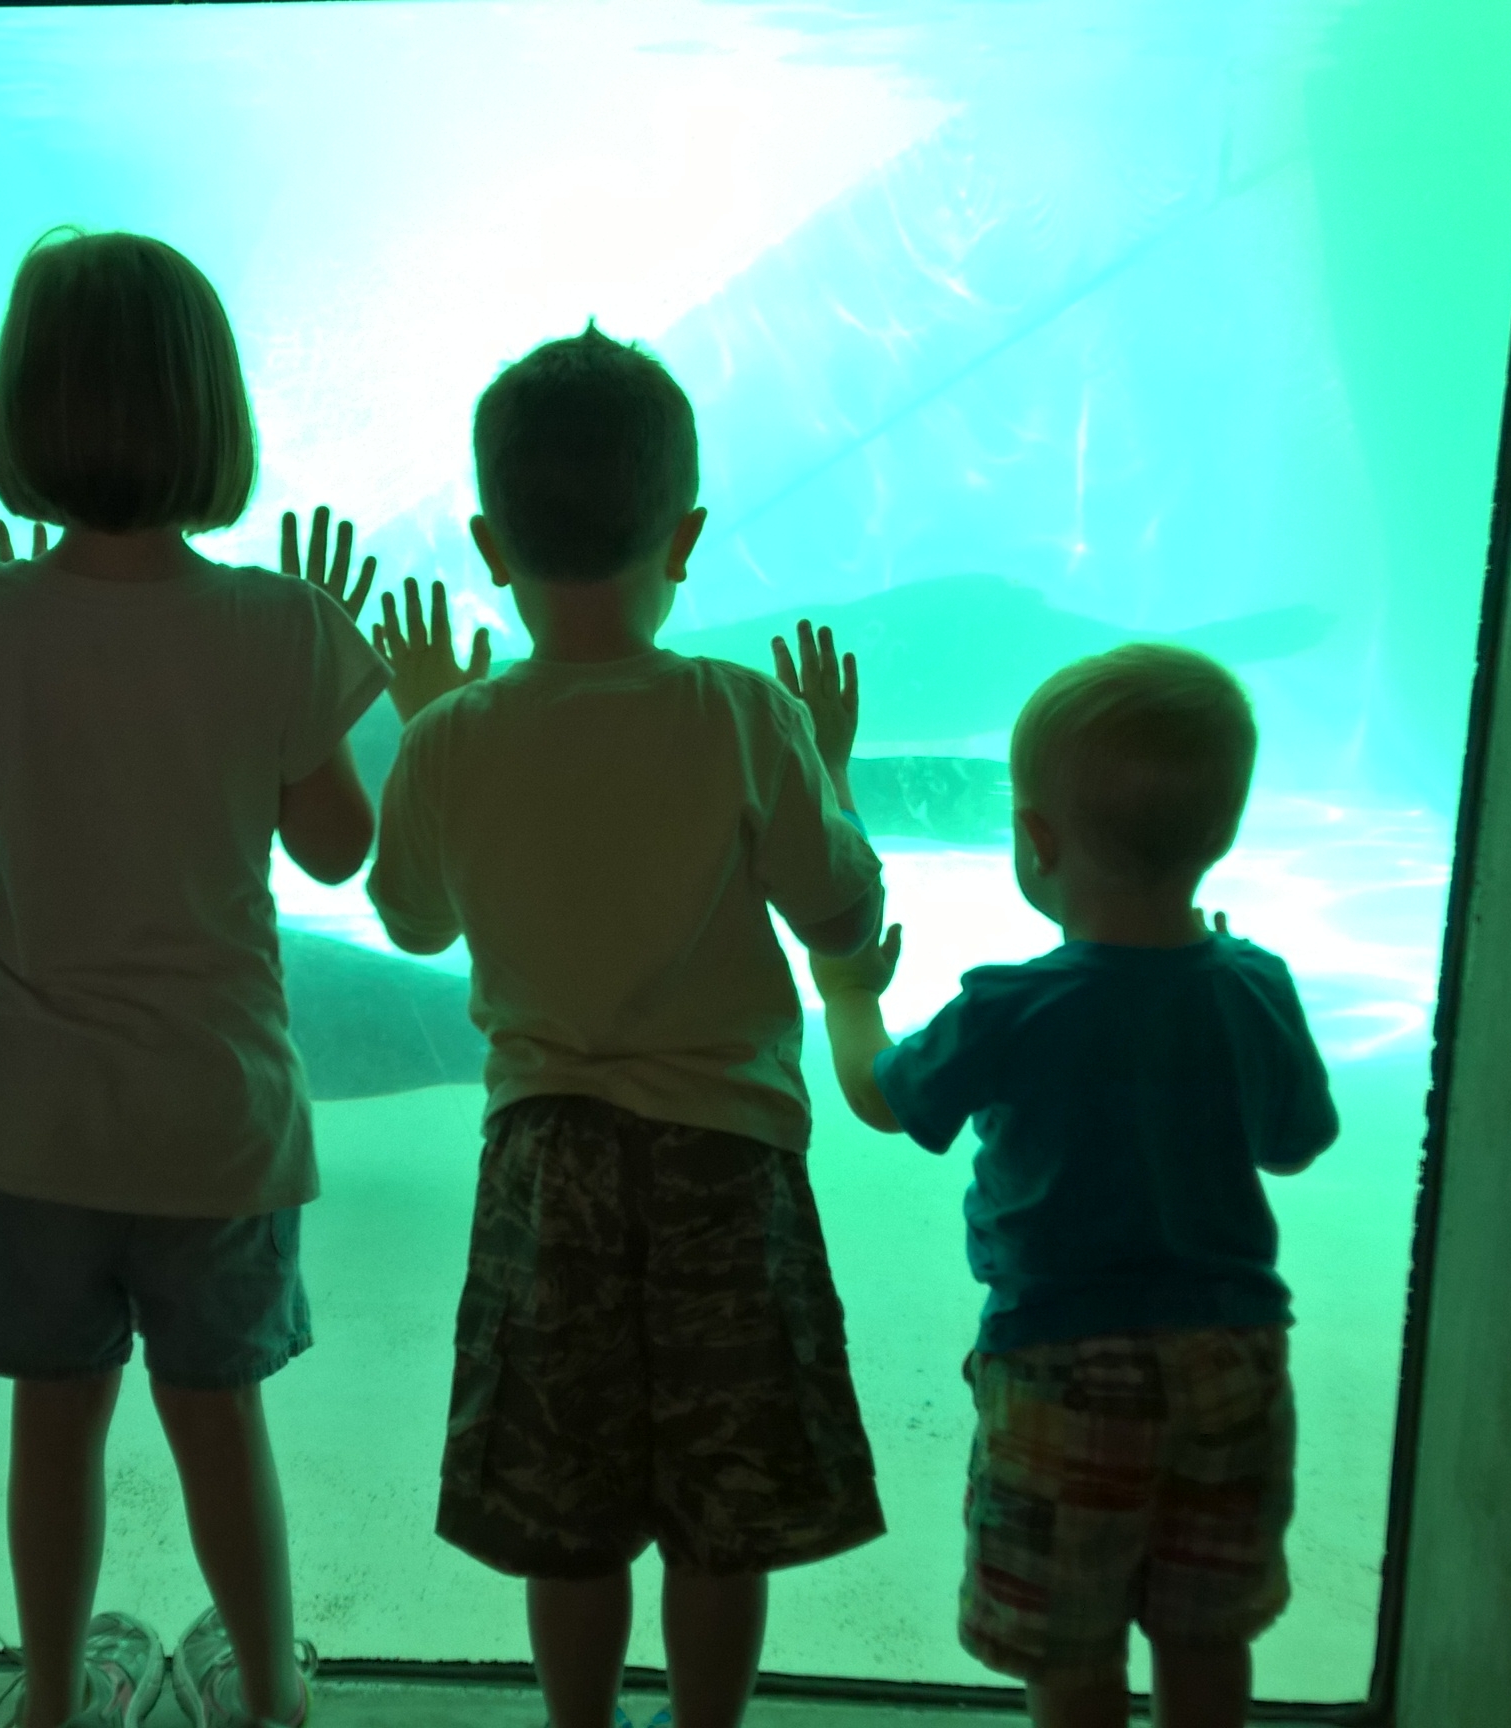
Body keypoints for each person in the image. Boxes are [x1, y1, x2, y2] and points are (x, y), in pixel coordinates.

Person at [365, 324, 889, 1728]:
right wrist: (831, 771)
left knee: (570, 1509)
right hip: (730, 1164)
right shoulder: (747, 716)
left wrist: (436, 723)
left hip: (548, 1170)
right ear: (688, 537)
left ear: (490, 548)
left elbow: (411, 921)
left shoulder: (452, 738)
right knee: (723, 1509)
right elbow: (842, 911)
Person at [0, 228, 386, 1728]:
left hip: (35, 1120)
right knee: (218, 1418)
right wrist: (314, 688)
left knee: (55, 1421)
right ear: (213, 415)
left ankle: (53, 1696)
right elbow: (338, 850)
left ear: (23, 412)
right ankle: (271, 1695)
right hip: (216, 1123)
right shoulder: (282, 626)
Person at [806, 644, 1335, 1728]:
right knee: (1206, 1630)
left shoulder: (1008, 1008)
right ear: (1223, 834)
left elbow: (882, 1098)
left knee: (1070, 1645)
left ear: (1037, 840)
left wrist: (847, 992)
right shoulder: (1255, 984)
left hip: (1062, 1367)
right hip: (1232, 1360)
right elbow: (1294, 1145)